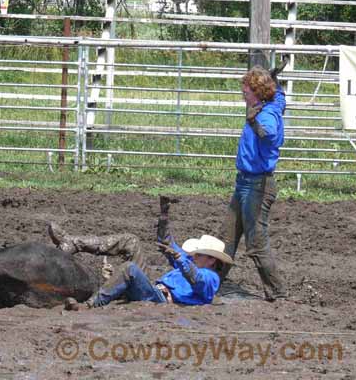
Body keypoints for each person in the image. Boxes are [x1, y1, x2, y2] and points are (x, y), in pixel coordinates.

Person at [48, 196, 233, 310]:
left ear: (211, 260)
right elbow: (165, 242)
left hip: (160, 299)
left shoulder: (211, 278)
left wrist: (180, 259)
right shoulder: (188, 261)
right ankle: (72, 242)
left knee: (129, 268)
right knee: (132, 240)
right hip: (154, 290)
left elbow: (197, 279)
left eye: (199, 254)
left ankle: (90, 305)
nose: (194, 255)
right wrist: (164, 215)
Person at [219, 65, 288, 301]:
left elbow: (268, 134)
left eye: (247, 91)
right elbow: (279, 96)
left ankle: (277, 292)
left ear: (258, 93)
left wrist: (253, 123)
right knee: (226, 236)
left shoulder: (266, 114)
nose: (243, 95)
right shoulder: (273, 103)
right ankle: (213, 281)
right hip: (246, 183)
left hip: (257, 185)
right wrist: (274, 80)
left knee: (256, 241)